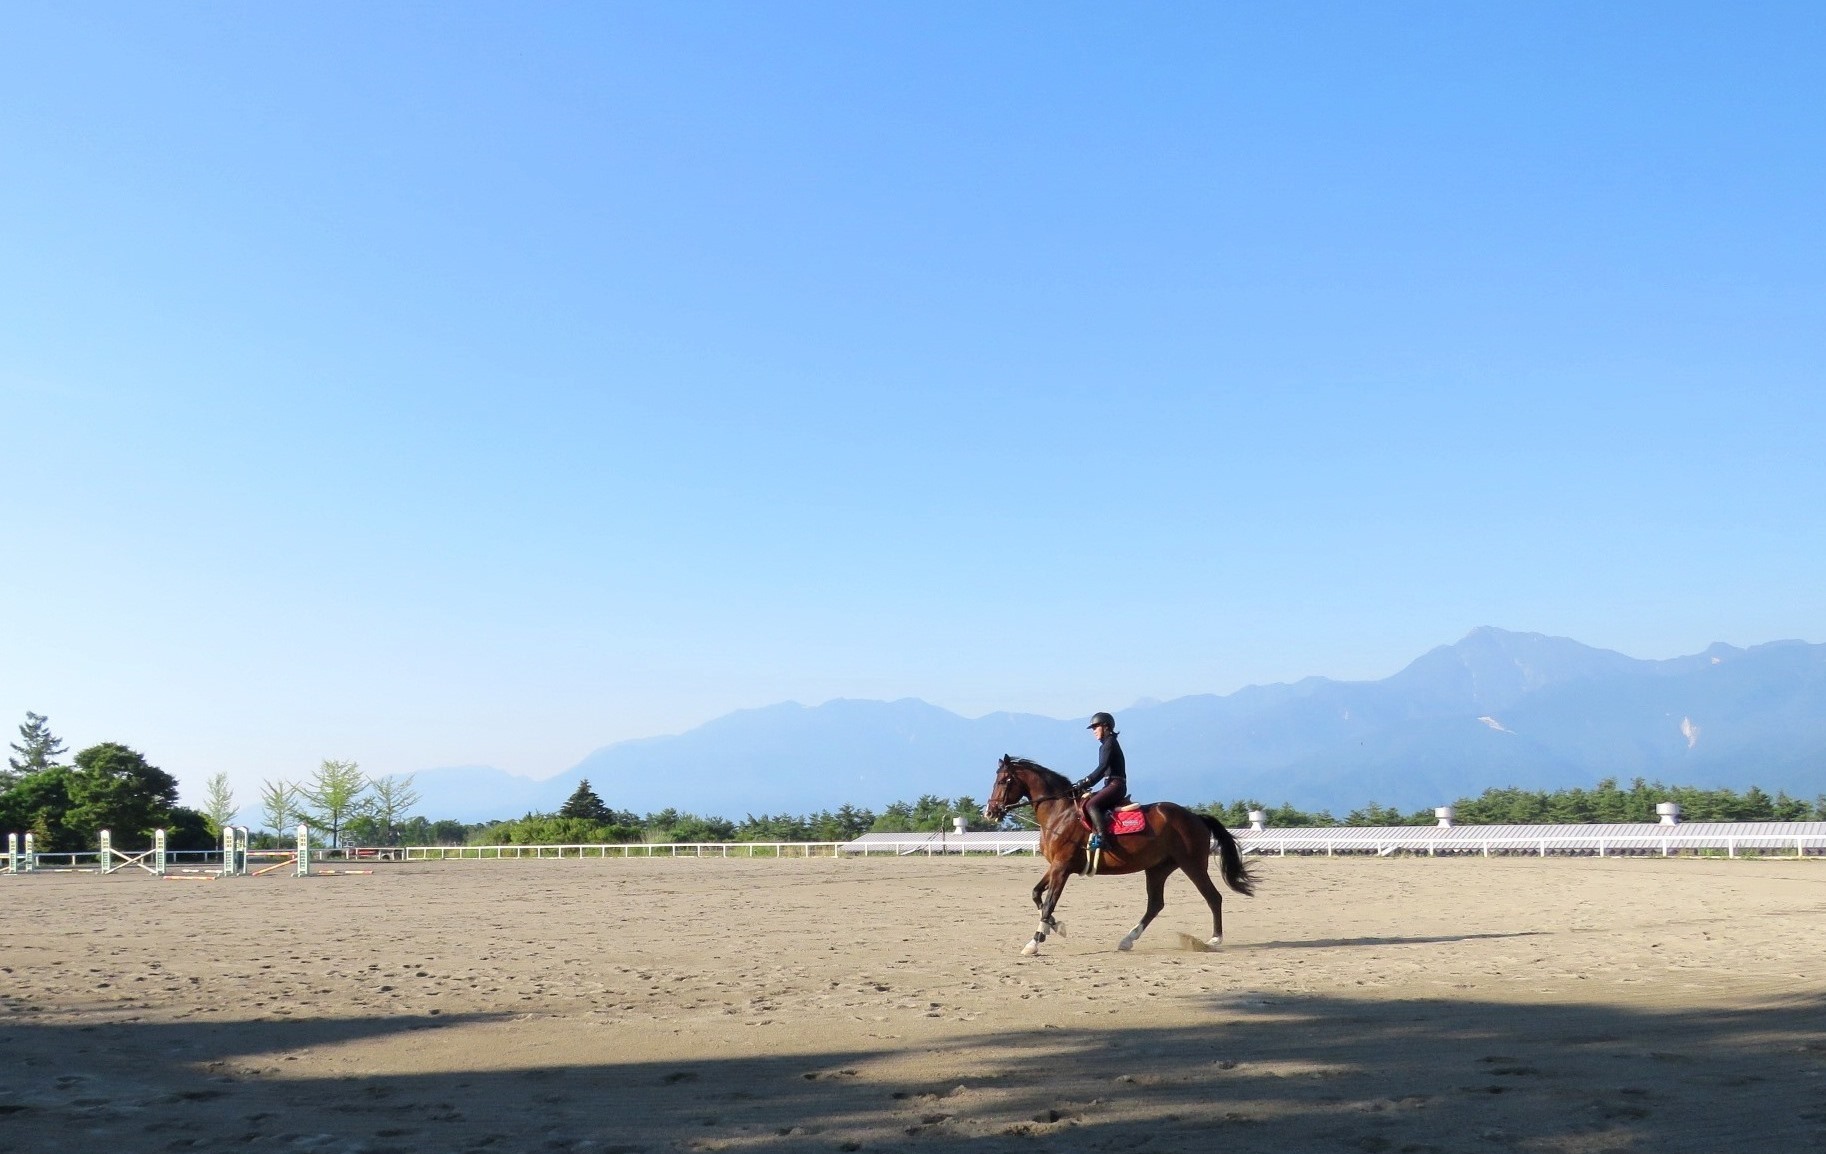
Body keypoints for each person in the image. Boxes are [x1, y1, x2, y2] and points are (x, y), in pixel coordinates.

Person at [1074, 711, 1128, 850]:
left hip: (1116, 785)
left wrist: (1087, 781)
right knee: (1084, 801)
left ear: (1106, 726)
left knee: (1091, 805)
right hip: (1109, 784)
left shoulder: (1109, 743)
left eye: (1095, 727)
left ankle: (1103, 839)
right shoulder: (1105, 744)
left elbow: (1103, 767)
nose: (1093, 731)